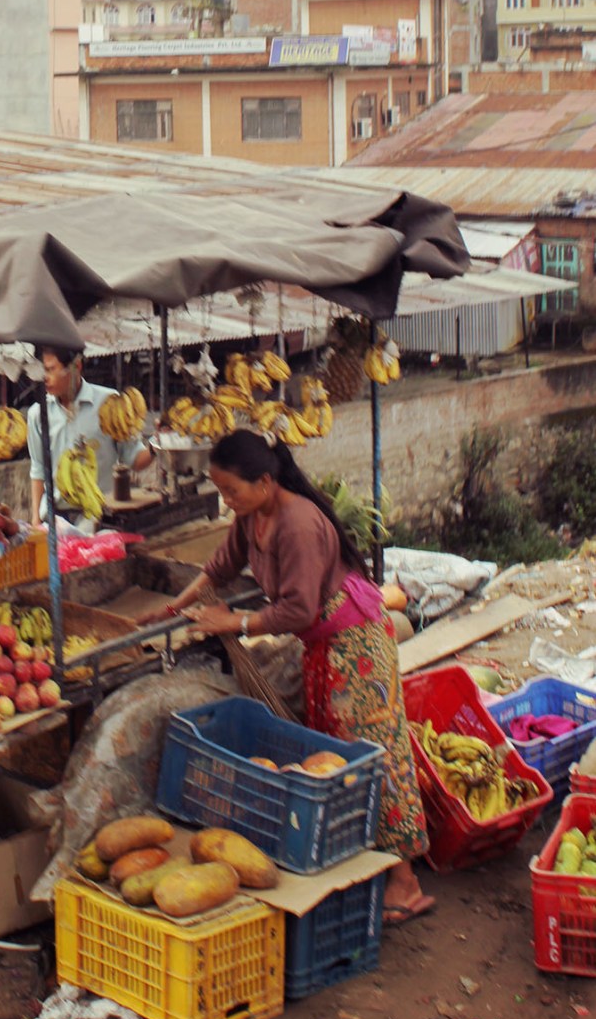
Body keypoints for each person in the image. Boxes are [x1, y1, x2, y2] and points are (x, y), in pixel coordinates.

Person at [142, 427, 434, 928]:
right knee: (331, 756)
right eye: (221, 492)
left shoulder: (297, 523)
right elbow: (220, 567)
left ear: (265, 481)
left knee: (369, 757)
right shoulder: (251, 516)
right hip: (324, 646)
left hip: (357, 648)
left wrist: (232, 622)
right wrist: (175, 606)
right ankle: (366, 867)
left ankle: (405, 882)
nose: (226, 500)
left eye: (232, 490)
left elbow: (298, 609)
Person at [27, 346, 154, 533]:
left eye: (51, 369)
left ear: (76, 366)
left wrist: (159, 445)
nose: (45, 377)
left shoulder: (109, 403)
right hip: (54, 520)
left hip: (101, 519)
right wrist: (35, 519)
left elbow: (134, 459)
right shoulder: (38, 414)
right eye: (42, 371)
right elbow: (38, 469)